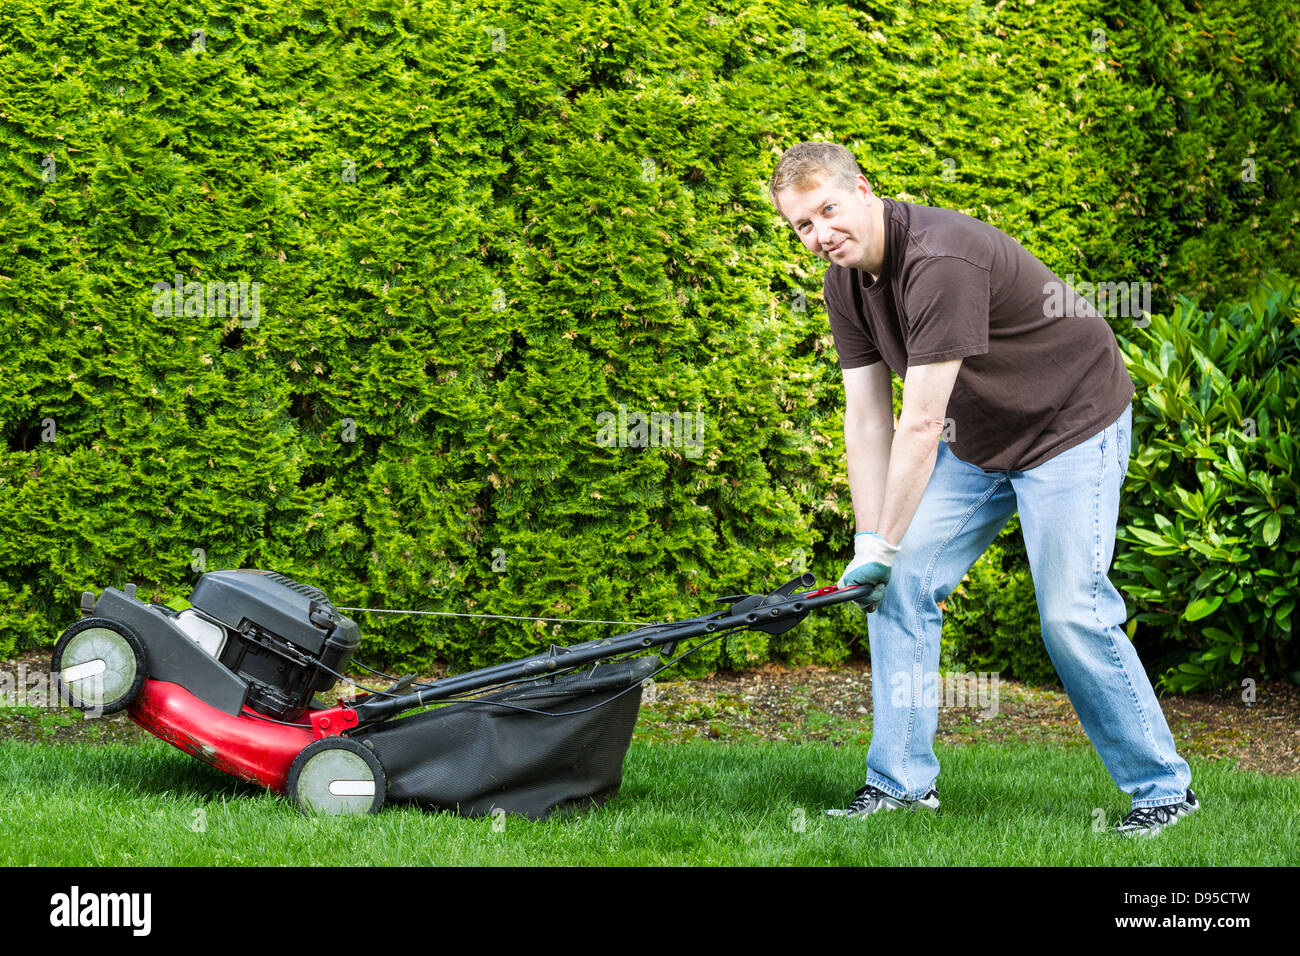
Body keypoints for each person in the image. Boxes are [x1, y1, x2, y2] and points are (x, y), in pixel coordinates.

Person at [768, 142, 1198, 837]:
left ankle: (1162, 789)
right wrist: (869, 544)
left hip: (1068, 425)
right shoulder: (843, 284)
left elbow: (920, 422)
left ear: (864, 190)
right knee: (896, 584)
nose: (821, 236)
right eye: (802, 226)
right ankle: (900, 784)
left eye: (828, 211)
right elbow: (867, 418)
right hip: (980, 440)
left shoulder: (941, 261)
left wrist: (883, 538)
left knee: (1070, 613)